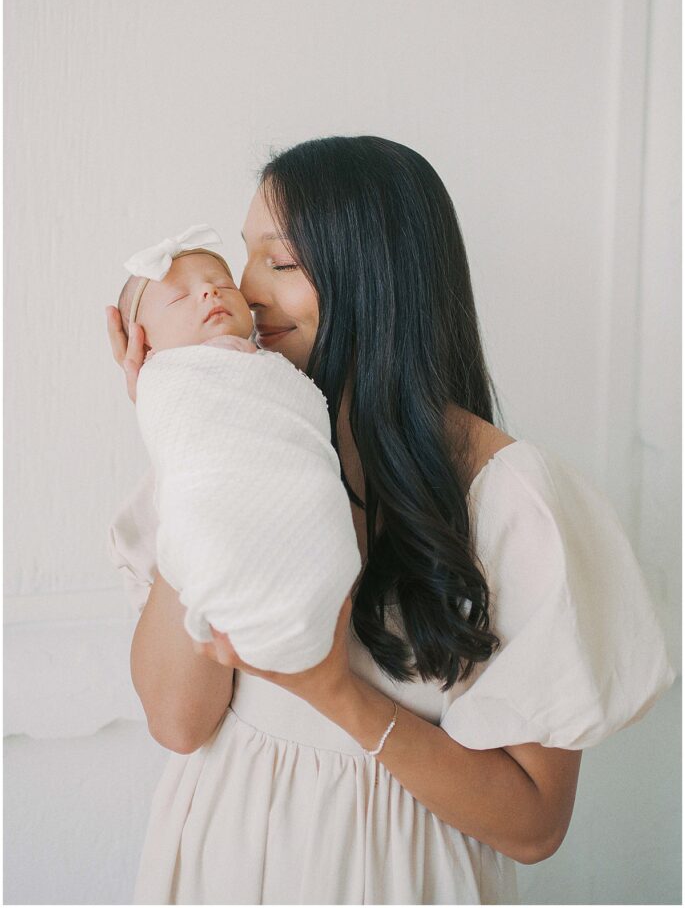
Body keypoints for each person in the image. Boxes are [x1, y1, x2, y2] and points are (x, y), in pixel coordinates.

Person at [105, 136, 676, 905]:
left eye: (281, 262)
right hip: (224, 857)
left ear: (376, 281)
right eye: (244, 258)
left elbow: (535, 824)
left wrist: (334, 692)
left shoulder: (510, 497)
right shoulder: (231, 454)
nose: (245, 291)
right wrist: (185, 436)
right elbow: (178, 722)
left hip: (391, 875)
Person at [114, 228, 361, 671]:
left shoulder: (270, 367)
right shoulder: (170, 381)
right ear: (144, 344)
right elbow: (197, 462)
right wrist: (152, 394)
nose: (210, 291)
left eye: (221, 283)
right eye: (178, 298)